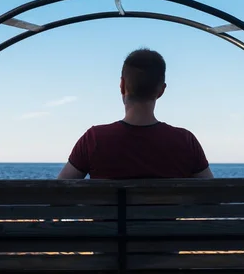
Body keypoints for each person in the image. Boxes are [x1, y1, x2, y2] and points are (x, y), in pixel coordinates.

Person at [57, 48, 214, 179]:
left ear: (122, 85)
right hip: (162, 218)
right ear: (161, 90)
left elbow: (60, 194)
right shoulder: (186, 141)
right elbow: (212, 198)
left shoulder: (93, 139)